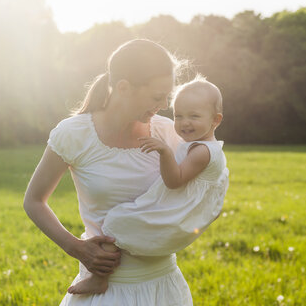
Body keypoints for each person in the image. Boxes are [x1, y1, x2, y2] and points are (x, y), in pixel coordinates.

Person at [23, 39, 193, 305]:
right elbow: (33, 201)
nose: (164, 105)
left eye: (167, 97)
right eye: (157, 97)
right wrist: (76, 248)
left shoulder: (168, 132)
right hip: (105, 291)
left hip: (163, 286)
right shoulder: (74, 134)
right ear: (123, 87)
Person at [67, 77, 229, 295]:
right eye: (178, 116)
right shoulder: (203, 146)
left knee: (117, 221)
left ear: (215, 120)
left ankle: (98, 278)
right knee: (128, 223)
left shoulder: (201, 151)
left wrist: (164, 152)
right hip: (182, 204)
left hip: (178, 205)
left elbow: (174, 181)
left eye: (194, 116)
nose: (184, 122)